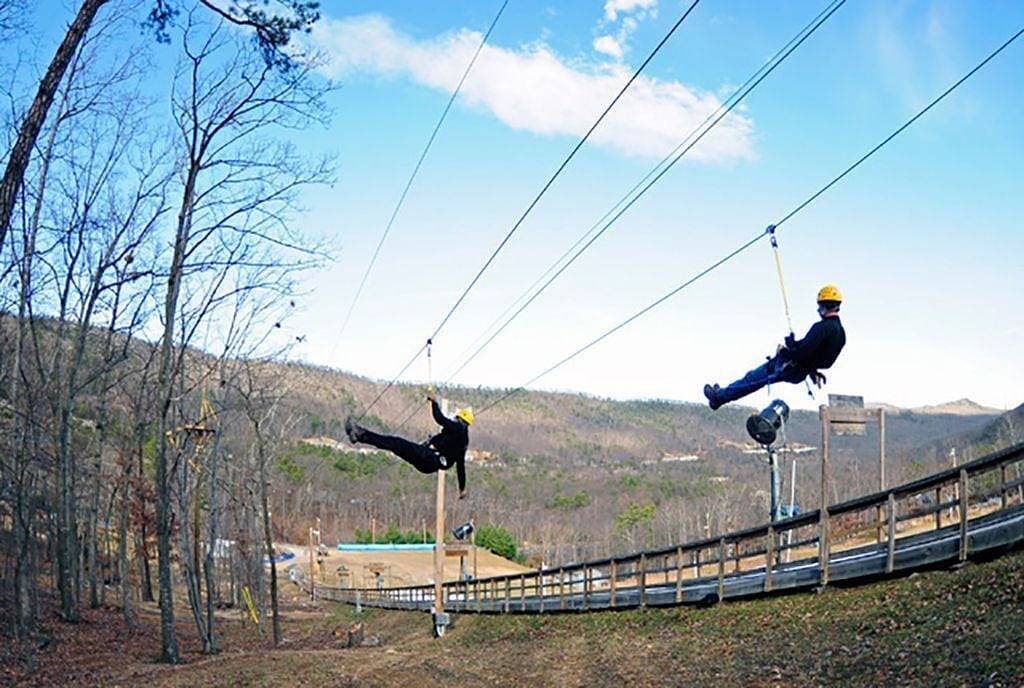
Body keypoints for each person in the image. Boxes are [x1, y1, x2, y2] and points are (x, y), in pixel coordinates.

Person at [703, 285, 846, 409]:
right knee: (752, 380)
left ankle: (718, 398)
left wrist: (785, 350)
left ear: (823, 306)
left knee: (751, 380)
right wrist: (807, 364)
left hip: (789, 367)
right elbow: (818, 356)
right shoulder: (840, 333)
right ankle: (723, 393)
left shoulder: (821, 328)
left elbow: (802, 353)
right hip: (798, 371)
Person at [345, 394, 473, 499]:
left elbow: (439, 419)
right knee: (396, 446)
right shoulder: (464, 442)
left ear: (459, 419)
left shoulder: (457, 427)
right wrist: (462, 489)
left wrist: (434, 402)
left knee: (396, 443)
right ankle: (359, 435)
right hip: (428, 465)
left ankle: (360, 434)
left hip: (429, 457)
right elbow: (460, 468)